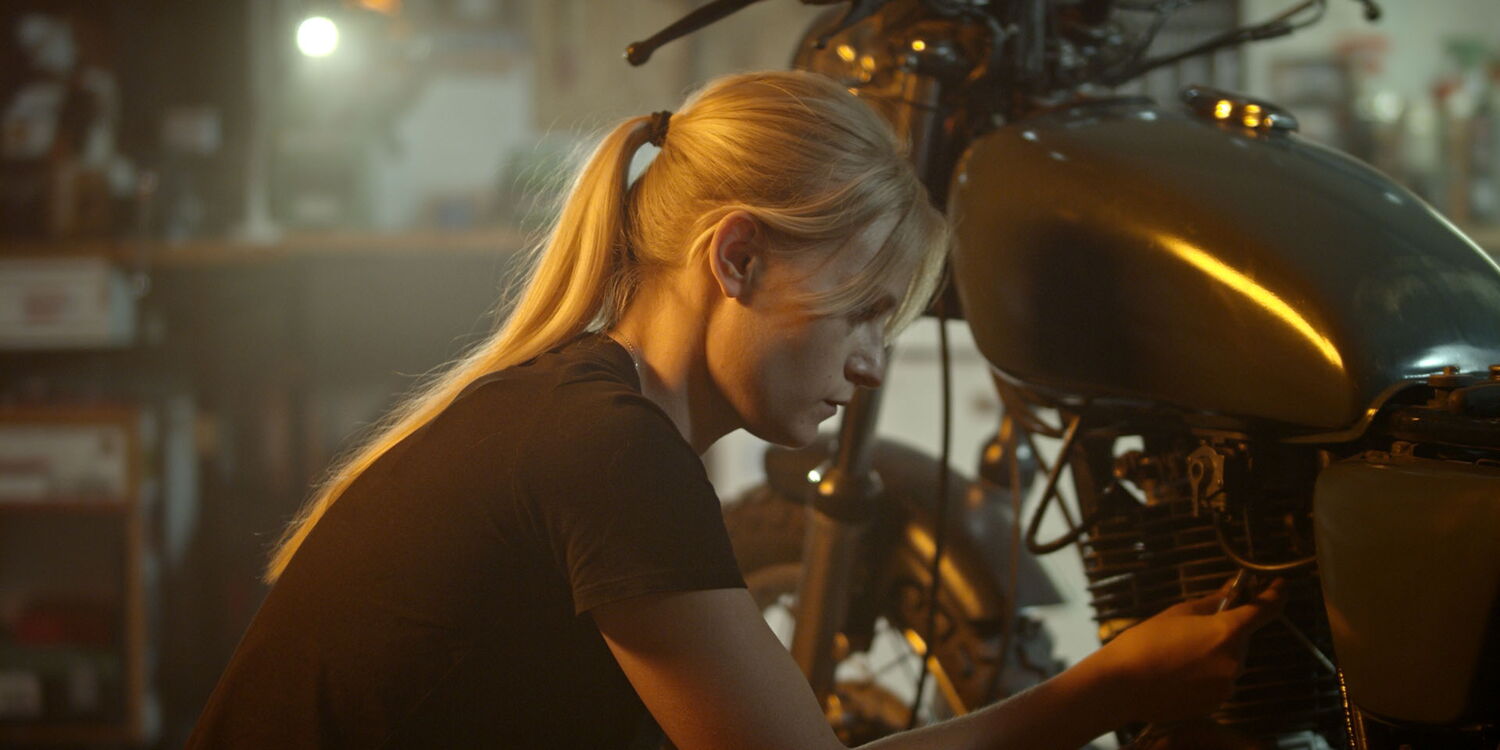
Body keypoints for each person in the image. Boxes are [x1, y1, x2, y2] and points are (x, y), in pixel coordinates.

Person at [187, 70, 1285, 749]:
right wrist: (1110, 689)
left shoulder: (573, 409)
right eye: (861, 315)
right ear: (739, 256)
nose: (870, 366)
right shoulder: (605, 450)